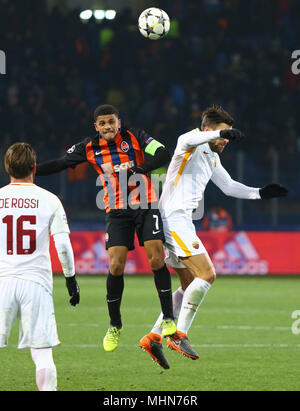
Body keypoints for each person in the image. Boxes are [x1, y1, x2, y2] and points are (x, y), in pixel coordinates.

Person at [140, 105, 288, 369]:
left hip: (179, 222)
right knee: (207, 275)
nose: (225, 141)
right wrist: (220, 133)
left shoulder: (213, 157)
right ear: (207, 129)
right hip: (174, 219)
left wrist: (261, 193)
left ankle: (153, 337)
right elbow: (191, 138)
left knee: (187, 287)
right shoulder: (189, 144)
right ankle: (179, 334)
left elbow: (229, 186)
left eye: (227, 136)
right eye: (222, 135)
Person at [35, 104, 176, 352]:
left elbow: (164, 153)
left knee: (156, 258)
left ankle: (168, 318)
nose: (108, 126)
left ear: (118, 122)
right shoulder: (89, 147)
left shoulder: (136, 136)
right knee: (115, 265)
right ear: (96, 127)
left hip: (146, 204)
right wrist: (30, 171)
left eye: (111, 121)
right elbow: (60, 163)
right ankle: (115, 325)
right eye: (103, 123)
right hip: (116, 211)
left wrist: (139, 170)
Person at [0, 143, 80, 391]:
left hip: (2, 280)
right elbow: (64, 246)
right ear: (34, 167)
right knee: (42, 354)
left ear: (7, 168)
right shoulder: (50, 200)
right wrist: (70, 279)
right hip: (36, 284)